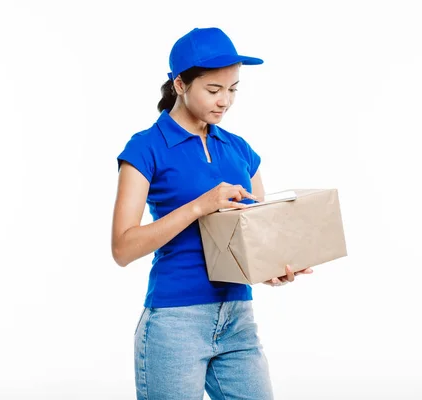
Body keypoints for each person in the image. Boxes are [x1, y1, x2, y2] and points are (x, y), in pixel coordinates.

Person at [111, 27, 314, 400]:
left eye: (233, 89)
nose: (226, 102)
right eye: (214, 90)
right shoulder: (145, 148)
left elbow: (255, 238)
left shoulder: (239, 150)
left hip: (238, 319)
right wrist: (201, 206)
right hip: (175, 321)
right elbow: (123, 248)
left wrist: (272, 269)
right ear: (180, 85)